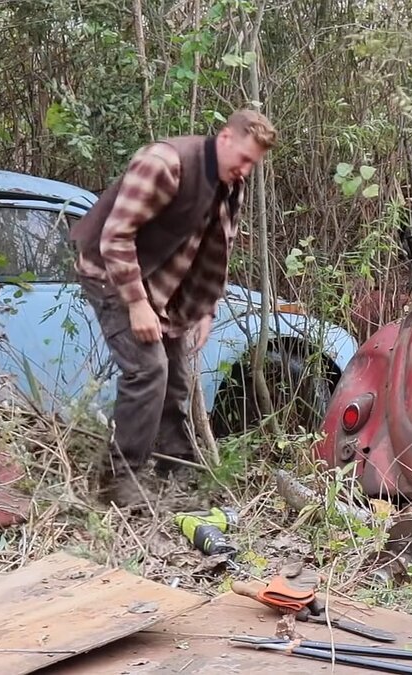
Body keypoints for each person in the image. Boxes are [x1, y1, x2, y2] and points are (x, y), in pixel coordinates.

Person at [70, 108, 276, 507]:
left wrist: (206, 309)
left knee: (177, 377)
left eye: (254, 164)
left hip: (163, 287)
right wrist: (137, 304)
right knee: (149, 370)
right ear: (225, 138)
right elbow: (115, 237)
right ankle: (118, 481)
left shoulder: (230, 183)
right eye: (244, 159)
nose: (246, 170)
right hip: (111, 274)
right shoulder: (165, 163)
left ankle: (176, 473)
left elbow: (217, 249)